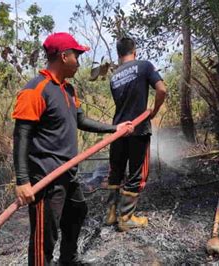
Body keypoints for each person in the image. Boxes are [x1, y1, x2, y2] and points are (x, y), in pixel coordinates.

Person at [12, 32, 133, 265]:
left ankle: (68, 260)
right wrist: (22, 181)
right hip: (46, 177)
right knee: (44, 237)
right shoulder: (35, 90)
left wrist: (114, 128)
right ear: (64, 56)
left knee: (77, 213)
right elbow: (21, 135)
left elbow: (81, 120)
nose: (79, 61)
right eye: (77, 55)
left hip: (67, 172)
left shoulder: (67, 90)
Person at [105, 37, 167, 231]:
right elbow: (162, 90)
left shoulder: (114, 76)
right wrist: (154, 111)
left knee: (116, 171)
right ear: (135, 51)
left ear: (118, 54)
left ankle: (111, 214)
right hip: (138, 130)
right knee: (137, 173)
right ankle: (126, 218)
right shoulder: (145, 65)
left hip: (118, 129)